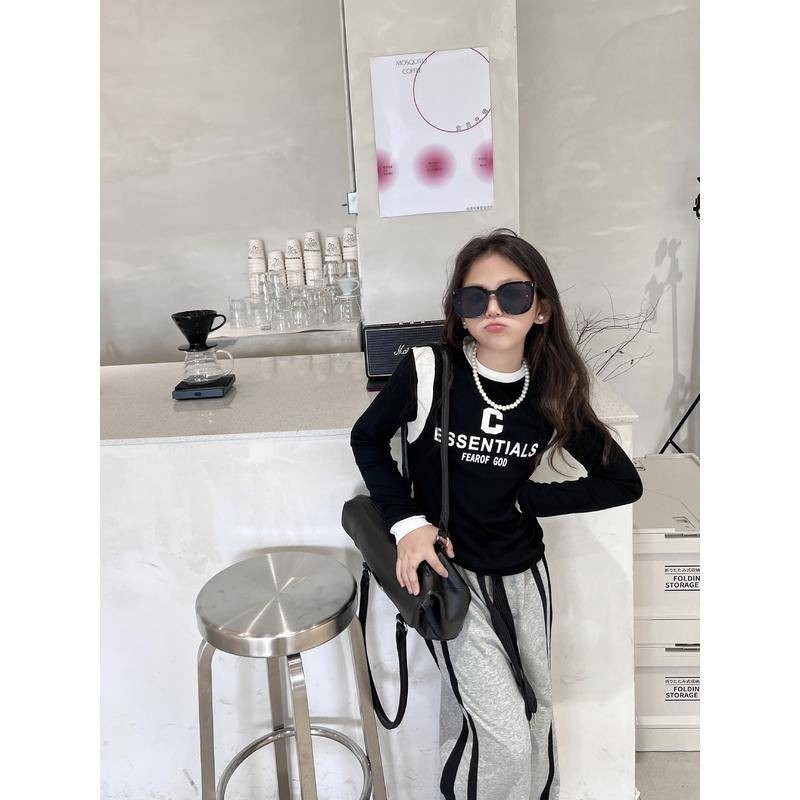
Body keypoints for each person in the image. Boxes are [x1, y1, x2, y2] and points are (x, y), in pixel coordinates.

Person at [349, 228, 644, 800]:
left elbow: (622, 483)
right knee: (502, 735)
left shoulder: (553, 389)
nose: (492, 309)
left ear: (541, 309)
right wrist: (408, 523)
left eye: (512, 295)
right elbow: (368, 439)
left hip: (524, 576)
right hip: (451, 579)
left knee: (534, 712)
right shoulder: (430, 371)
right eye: (474, 297)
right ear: (459, 312)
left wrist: (529, 500)